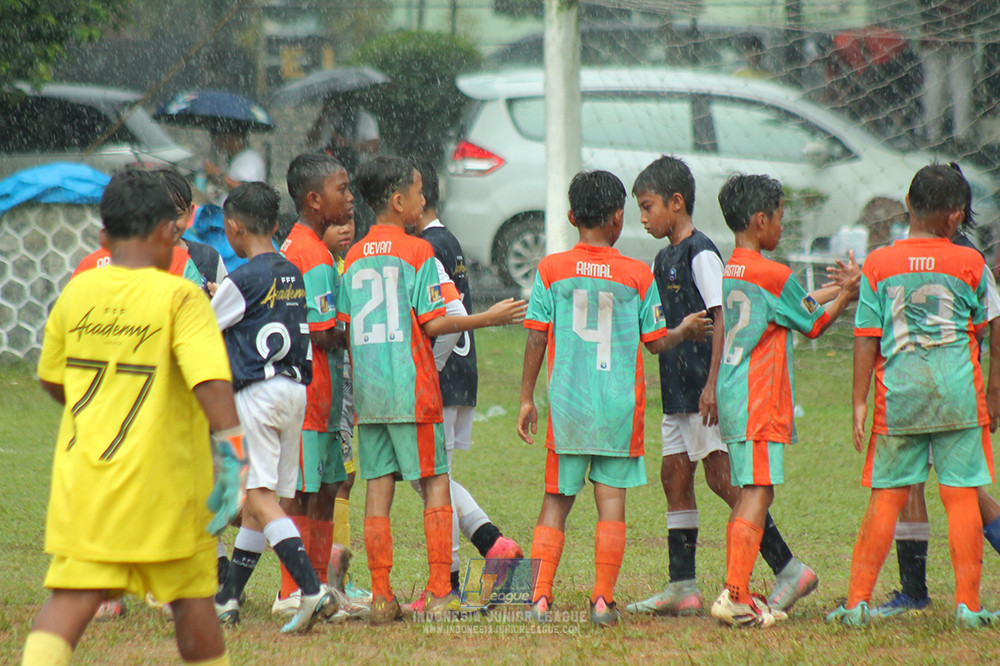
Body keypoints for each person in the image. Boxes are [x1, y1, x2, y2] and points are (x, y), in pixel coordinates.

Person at [22, 169, 244, 666]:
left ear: (104, 235)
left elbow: (52, 378)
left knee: (72, 600)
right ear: (171, 230)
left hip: (88, 482)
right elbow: (211, 382)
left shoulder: (77, 293)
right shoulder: (181, 296)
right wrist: (234, 459)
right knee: (192, 603)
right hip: (165, 484)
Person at [516, 170, 712, 627]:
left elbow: (535, 336)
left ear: (570, 216)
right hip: (618, 408)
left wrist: (527, 397)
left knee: (555, 502)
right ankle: (602, 600)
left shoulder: (551, 270)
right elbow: (655, 342)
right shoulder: (637, 275)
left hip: (567, 405)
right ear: (618, 218)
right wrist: (681, 330)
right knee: (611, 502)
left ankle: (539, 599)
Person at [336, 155, 526, 625]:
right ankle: (442, 591)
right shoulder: (418, 253)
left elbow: (344, 327)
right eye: (419, 192)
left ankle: (381, 596)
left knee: (378, 488)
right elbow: (436, 321)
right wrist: (488, 317)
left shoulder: (354, 256)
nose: (424, 200)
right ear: (399, 201)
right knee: (435, 481)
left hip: (371, 394)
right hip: (412, 391)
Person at [625, 157, 818, 618]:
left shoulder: (703, 252)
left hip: (702, 388)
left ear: (676, 202)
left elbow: (722, 316)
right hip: (675, 387)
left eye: (648, 207)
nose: (643, 217)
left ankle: (788, 568)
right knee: (675, 477)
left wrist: (712, 383)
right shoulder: (663, 256)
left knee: (724, 480)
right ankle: (682, 586)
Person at [829, 164, 1000, 628]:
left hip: (899, 396)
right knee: (962, 497)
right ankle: (969, 605)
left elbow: (866, 335)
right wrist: (995, 390)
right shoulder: (971, 263)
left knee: (886, 497)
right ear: (954, 217)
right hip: (958, 395)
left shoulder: (880, 263)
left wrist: (859, 400)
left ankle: (857, 602)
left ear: (908, 206)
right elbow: (994, 325)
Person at [710, 173, 859, 628]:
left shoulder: (733, 268)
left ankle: (737, 588)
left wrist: (837, 289)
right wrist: (849, 295)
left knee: (753, 491)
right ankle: (735, 594)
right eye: (779, 218)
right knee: (758, 491)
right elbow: (811, 325)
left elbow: (789, 306)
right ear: (759, 220)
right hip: (759, 399)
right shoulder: (775, 274)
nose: (782, 226)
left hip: (735, 394)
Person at [210, 182, 336, 633]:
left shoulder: (241, 279)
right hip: (294, 391)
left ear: (233, 227)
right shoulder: (290, 273)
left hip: (257, 394)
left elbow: (204, 327)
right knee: (268, 503)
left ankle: (310, 587)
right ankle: (228, 598)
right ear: (277, 225)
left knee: (258, 499)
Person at [403, 160, 523, 611]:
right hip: (459, 370)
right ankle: (494, 546)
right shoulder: (444, 239)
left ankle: (449, 583)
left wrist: (427, 369)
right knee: (432, 477)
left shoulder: (426, 246)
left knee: (431, 479)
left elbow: (448, 320)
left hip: (442, 373)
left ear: (417, 200)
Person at [272, 153, 353, 619]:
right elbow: (321, 333)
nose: (349, 196)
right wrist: (355, 329)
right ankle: (292, 590)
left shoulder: (298, 245)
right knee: (304, 493)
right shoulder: (316, 258)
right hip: (313, 393)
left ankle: (318, 585)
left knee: (326, 487)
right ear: (314, 200)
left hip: (315, 395)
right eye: (341, 189)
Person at [204, 128, 266, 203]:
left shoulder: (249, 158)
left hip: (242, 213)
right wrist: (217, 180)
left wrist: (219, 175)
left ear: (234, 137)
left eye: (219, 137)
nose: (216, 142)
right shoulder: (237, 157)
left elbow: (245, 190)